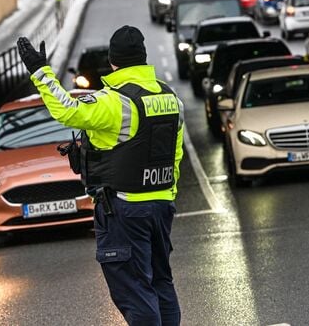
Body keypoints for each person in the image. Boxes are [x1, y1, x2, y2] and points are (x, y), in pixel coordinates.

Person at [16, 26, 184, 326]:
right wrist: (166, 194)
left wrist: (40, 71)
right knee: (161, 284)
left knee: (135, 290)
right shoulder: (172, 99)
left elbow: (67, 110)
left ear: (113, 61)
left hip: (124, 208)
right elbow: (175, 155)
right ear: (144, 58)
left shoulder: (116, 102)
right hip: (161, 205)